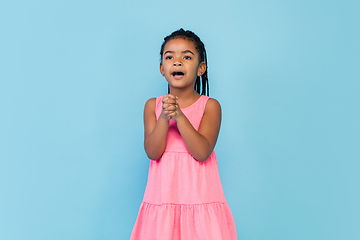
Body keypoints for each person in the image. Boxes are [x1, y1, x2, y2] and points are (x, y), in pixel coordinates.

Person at [130, 29, 237, 240]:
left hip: (200, 201)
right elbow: (153, 152)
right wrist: (164, 117)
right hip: (163, 201)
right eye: (170, 57)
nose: (177, 62)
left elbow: (202, 152)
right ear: (162, 68)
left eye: (186, 57)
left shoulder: (210, 106)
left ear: (201, 68)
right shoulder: (152, 106)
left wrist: (179, 116)